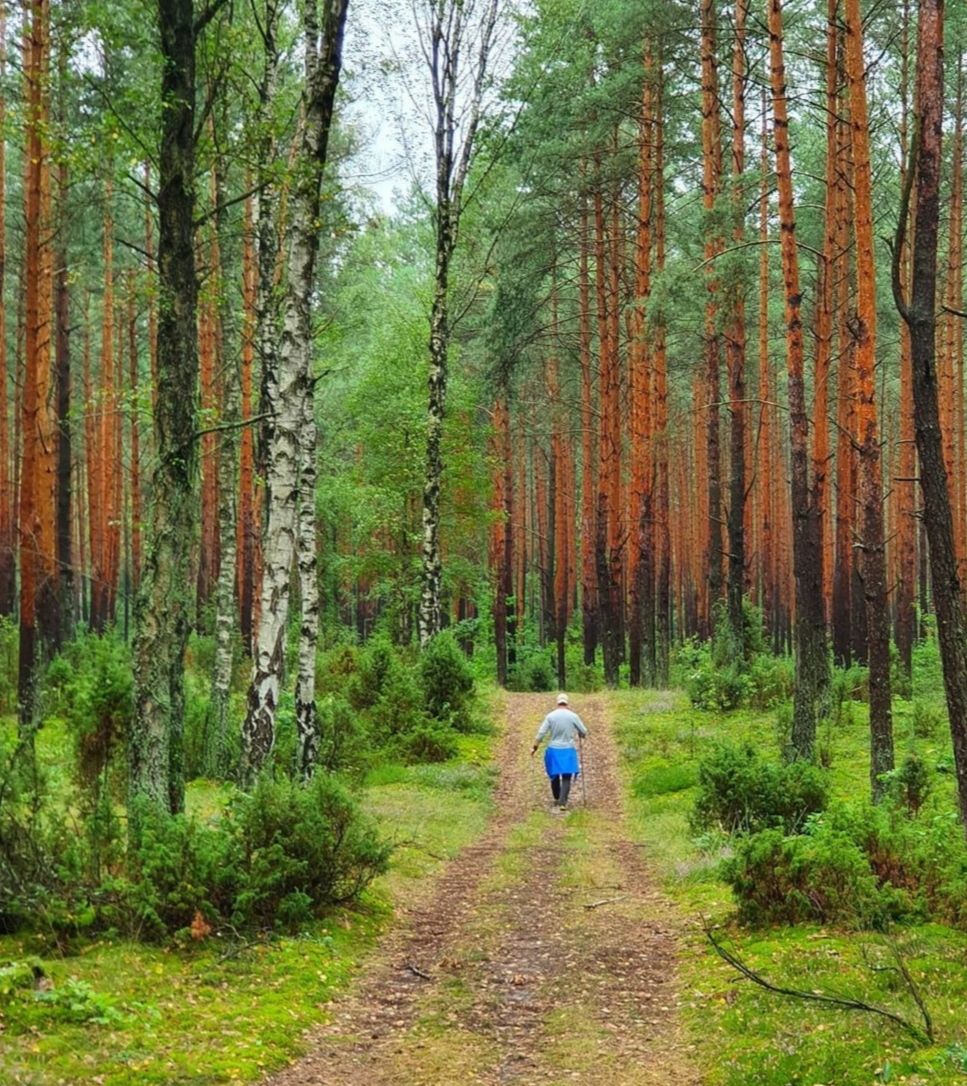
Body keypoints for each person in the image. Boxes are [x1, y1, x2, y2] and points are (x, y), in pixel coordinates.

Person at [531, 693, 587, 811]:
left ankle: (556, 797)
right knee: (567, 775)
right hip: (568, 749)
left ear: (557, 703)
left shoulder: (550, 716)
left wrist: (535, 746)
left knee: (554, 774)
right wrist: (581, 734)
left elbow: (541, 733)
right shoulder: (573, 716)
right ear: (567, 703)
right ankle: (563, 802)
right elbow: (583, 731)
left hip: (554, 749)